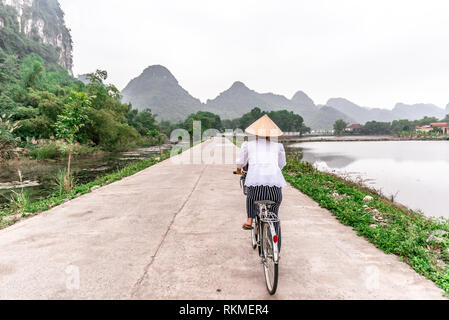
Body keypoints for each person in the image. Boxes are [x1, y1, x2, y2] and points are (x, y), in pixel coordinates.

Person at [236, 115, 287, 250]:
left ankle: (250, 219)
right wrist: (273, 171)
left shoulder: (248, 145)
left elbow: (241, 162)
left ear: (255, 133)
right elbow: (282, 164)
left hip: (256, 188)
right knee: (274, 216)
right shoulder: (278, 146)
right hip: (275, 189)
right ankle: (278, 251)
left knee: (251, 197)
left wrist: (238, 169)